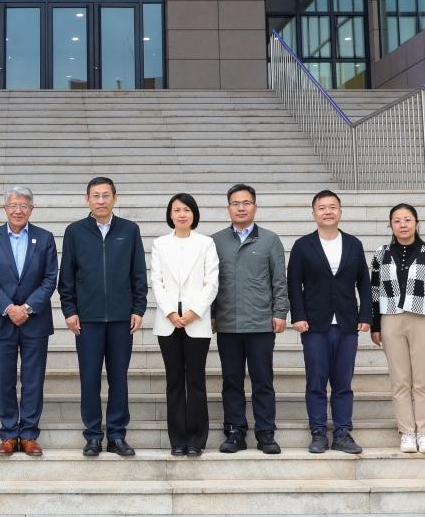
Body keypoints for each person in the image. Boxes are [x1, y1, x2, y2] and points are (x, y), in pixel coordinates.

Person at [58, 176, 147, 457]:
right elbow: (67, 276)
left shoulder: (129, 230)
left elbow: (138, 273)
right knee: (90, 379)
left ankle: (117, 435)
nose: (100, 201)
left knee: (119, 378)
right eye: (95, 196)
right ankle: (94, 435)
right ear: (87, 199)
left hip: (121, 319)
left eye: (105, 195)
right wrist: (70, 311)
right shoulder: (75, 231)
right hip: (88, 320)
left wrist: (138, 308)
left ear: (115, 198)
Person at [287, 189, 372, 455]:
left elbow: (364, 282)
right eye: (322, 207)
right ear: (314, 213)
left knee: (343, 383)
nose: (328, 211)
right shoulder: (303, 245)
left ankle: (343, 433)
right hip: (314, 325)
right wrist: (298, 316)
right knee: (316, 381)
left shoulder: (353, 244)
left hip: (347, 324)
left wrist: (365, 315)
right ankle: (318, 433)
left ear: (340, 212)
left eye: (332, 207)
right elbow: (293, 284)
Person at [0, 186, 59, 457]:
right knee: (4, 380)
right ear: (5, 208)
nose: (18, 210)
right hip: (1, 320)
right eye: (13, 205)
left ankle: (29, 435)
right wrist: (9, 308)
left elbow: (50, 278)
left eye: (23, 205)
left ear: (31, 209)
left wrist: (26, 308)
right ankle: (9, 434)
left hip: (34, 320)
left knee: (33, 379)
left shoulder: (45, 238)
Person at [211, 184, 288, 455]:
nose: (241, 208)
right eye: (235, 203)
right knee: (231, 380)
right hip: (228, 323)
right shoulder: (216, 241)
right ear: (228, 208)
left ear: (255, 206)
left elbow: (279, 280)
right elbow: (210, 283)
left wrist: (280, 313)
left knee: (262, 380)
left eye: (246, 203)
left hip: (260, 324)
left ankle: (266, 433)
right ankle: (235, 432)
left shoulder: (270, 240)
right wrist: (212, 315)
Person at [370, 203, 425, 455]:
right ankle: (407, 432)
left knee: (423, 380)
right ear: (391, 225)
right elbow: (374, 291)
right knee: (400, 379)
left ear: (417, 223)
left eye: (407, 220)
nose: (402, 225)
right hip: (391, 319)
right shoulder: (381, 254)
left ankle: (424, 433)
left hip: (422, 318)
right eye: (397, 221)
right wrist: (375, 324)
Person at [151, 193, 219, 457]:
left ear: (194, 214)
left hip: (196, 320)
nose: (182, 214)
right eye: (177, 210)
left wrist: (193, 312)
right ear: (170, 214)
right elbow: (157, 281)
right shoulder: (160, 243)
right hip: (168, 321)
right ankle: (177, 439)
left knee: (196, 380)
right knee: (174, 380)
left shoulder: (206, 243)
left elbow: (211, 282)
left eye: (187, 210)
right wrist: (170, 312)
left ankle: (196, 439)